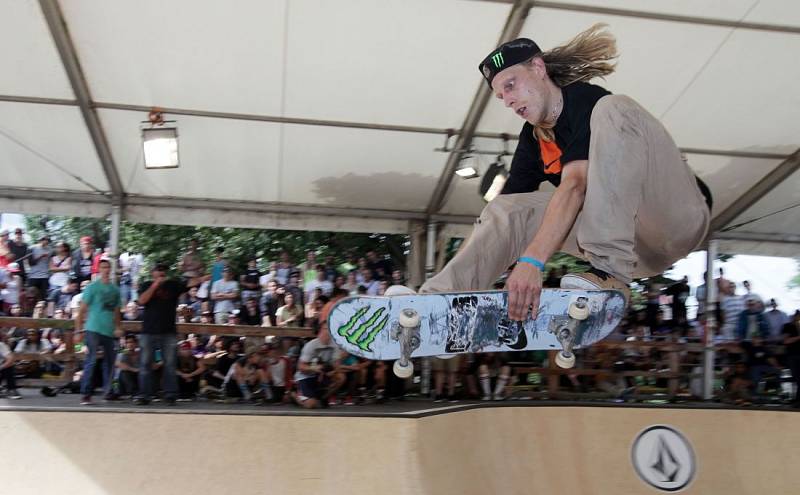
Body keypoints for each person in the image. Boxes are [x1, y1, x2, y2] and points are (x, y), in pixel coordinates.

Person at [422, 25, 712, 323]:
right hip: (637, 251)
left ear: (537, 68)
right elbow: (503, 223)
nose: (507, 100)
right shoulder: (532, 139)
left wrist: (533, 261)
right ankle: (439, 302)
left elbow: (576, 185)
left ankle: (608, 272)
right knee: (505, 209)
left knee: (615, 108)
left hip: (676, 219)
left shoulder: (586, 101)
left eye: (511, 85)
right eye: (501, 96)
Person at [134, 263, 194, 406]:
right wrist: (155, 285)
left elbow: (191, 283)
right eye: (158, 270)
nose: (161, 272)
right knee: (145, 364)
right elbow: (142, 301)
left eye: (163, 270)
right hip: (148, 331)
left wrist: (203, 276)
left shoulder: (173, 285)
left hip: (168, 331)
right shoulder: (146, 285)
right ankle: (144, 395)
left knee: (170, 364)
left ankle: (170, 394)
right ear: (152, 272)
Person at [75, 259, 122, 404]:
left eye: (108, 267)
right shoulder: (92, 287)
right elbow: (81, 310)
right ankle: (86, 393)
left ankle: (108, 391)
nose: (106, 270)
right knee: (92, 360)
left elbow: (117, 311)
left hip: (109, 330)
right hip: (93, 328)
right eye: (103, 267)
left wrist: (118, 327)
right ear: (98, 269)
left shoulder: (115, 290)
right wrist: (78, 330)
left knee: (110, 362)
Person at [291, 303, 345, 409]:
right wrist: (314, 369)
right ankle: (295, 396)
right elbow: (301, 367)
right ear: (320, 330)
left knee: (341, 377)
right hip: (306, 376)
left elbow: (337, 364)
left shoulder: (334, 345)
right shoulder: (311, 345)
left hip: (322, 375)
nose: (329, 331)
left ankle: (322, 398)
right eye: (326, 329)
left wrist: (332, 372)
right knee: (311, 405)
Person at [27, 234, 52, 303]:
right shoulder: (32, 248)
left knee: (43, 297)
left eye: (47, 240)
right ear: (40, 240)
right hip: (33, 276)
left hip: (45, 276)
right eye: (44, 239)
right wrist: (41, 256)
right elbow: (31, 263)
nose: (46, 241)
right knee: (31, 297)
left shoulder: (50, 250)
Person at [0, 332, 21, 399]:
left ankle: (11, 389)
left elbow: (11, 360)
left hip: (2, 370)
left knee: (9, 366)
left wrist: (1, 367)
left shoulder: (1, 345)